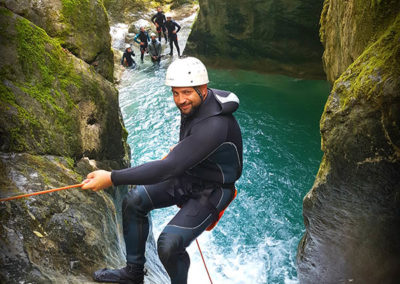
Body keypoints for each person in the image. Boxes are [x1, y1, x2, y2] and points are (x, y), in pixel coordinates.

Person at [82, 57, 243, 284]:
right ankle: (133, 274)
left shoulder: (216, 125)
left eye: (186, 92)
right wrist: (184, 150)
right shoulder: (197, 102)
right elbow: (190, 144)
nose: (180, 100)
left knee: (169, 244)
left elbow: (168, 168)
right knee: (134, 201)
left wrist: (111, 178)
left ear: (203, 89)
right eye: (175, 93)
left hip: (213, 190)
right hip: (189, 174)